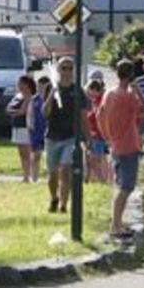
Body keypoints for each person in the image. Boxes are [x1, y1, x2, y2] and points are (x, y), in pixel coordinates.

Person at [97, 60, 144, 239]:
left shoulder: (109, 94)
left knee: (119, 186)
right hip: (129, 145)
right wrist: (138, 91)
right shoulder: (128, 97)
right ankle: (115, 224)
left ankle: (117, 222)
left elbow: (99, 115)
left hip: (115, 144)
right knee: (126, 187)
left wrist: (106, 136)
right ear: (131, 75)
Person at [43, 58, 81, 214]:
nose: (66, 72)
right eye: (63, 68)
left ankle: (64, 205)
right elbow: (45, 113)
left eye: (70, 68)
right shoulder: (50, 88)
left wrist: (86, 137)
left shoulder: (77, 90)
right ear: (58, 70)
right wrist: (52, 93)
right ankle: (54, 198)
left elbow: (83, 114)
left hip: (70, 137)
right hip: (53, 136)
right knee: (53, 174)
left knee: (66, 170)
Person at [7, 75, 38, 183]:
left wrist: (25, 98)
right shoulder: (17, 97)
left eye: (21, 84)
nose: (19, 86)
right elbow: (8, 109)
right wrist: (15, 112)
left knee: (27, 153)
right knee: (21, 153)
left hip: (26, 127)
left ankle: (30, 175)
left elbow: (23, 111)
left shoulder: (31, 97)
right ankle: (25, 175)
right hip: (17, 127)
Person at [84, 76, 111, 184]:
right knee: (90, 160)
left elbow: (100, 118)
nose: (89, 93)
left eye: (90, 90)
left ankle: (101, 181)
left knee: (95, 161)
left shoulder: (100, 102)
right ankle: (89, 180)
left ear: (95, 90)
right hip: (92, 134)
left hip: (98, 135)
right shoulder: (94, 101)